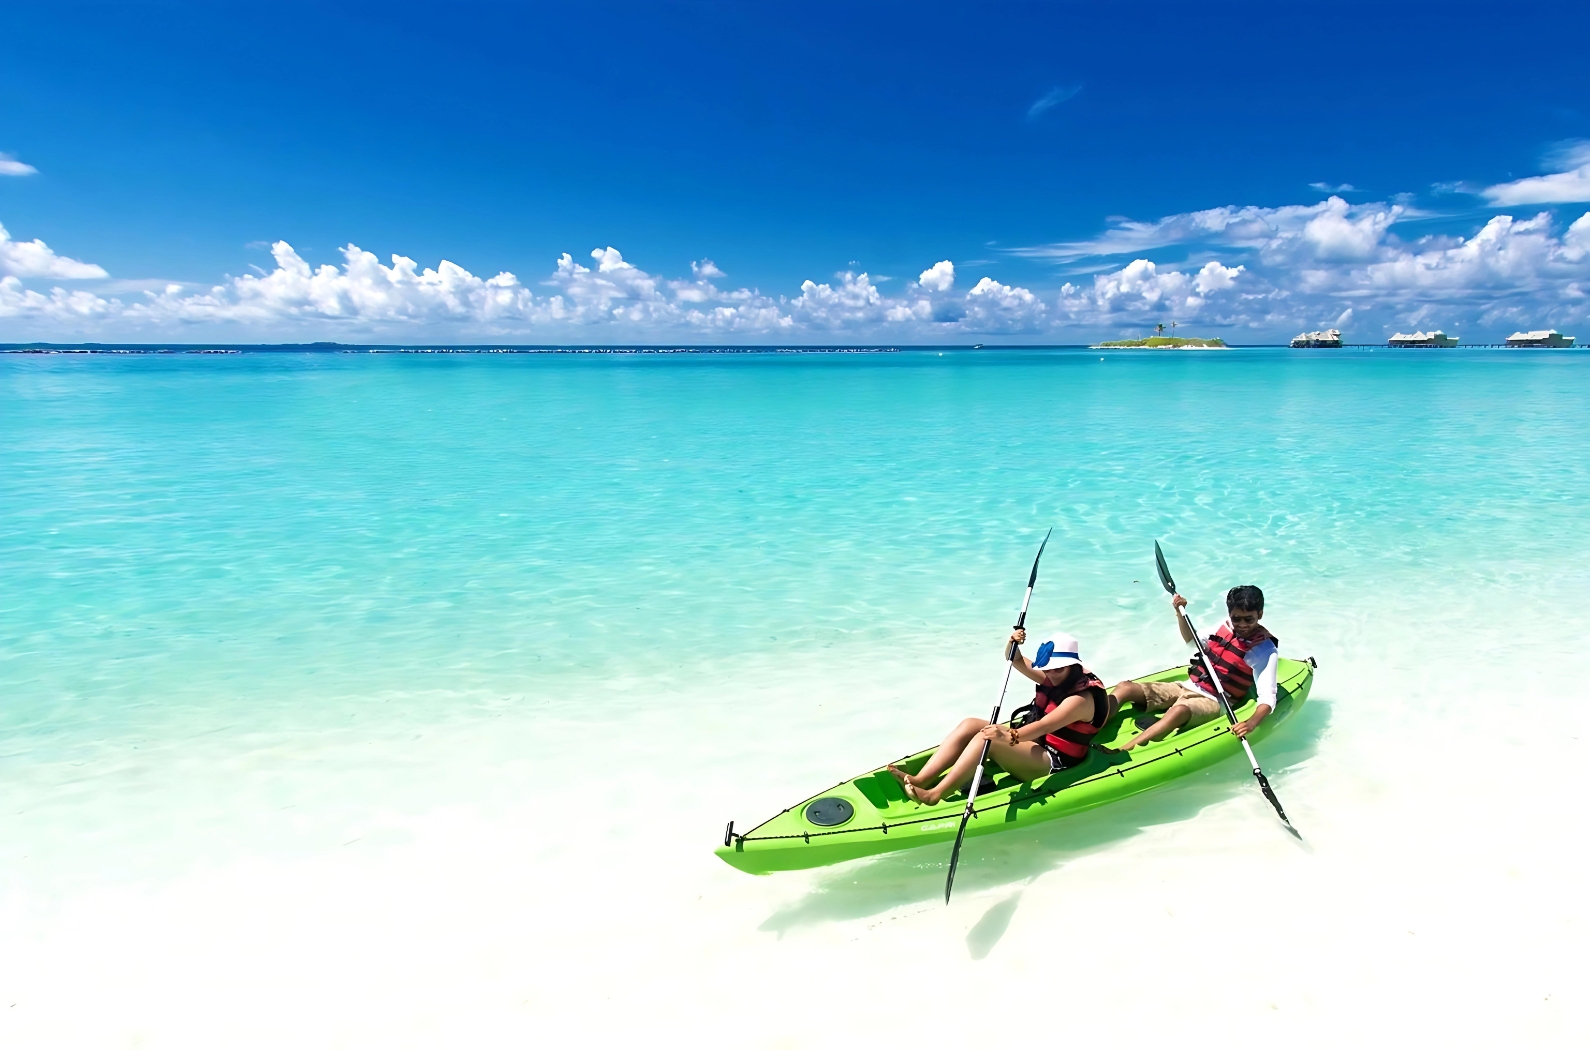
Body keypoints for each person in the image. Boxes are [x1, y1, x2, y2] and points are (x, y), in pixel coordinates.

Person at [888, 627, 1117, 806]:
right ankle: (921, 779)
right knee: (970, 725)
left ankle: (934, 795)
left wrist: (1006, 734)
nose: (1050, 674)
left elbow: (1042, 726)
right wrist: (1012, 642)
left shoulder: (1080, 700)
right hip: (1036, 745)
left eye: (1057, 669)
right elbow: (1015, 659)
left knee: (986, 738)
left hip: (1054, 761)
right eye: (1047, 668)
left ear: (1072, 665)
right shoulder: (1057, 675)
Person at [1115, 585, 1278, 750]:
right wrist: (1180, 613)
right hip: (1187, 686)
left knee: (1178, 711)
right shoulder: (1225, 626)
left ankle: (1123, 750)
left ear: (1260, 614)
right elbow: (1193, 642)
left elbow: (1268, 697)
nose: (1242, 624)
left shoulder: (1264, 649)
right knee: (1125, 688)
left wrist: (1251, 723)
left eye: (1249, 619)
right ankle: (1092, 726)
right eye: (1236, 618)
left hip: (1215, 701)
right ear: (1230, 614)